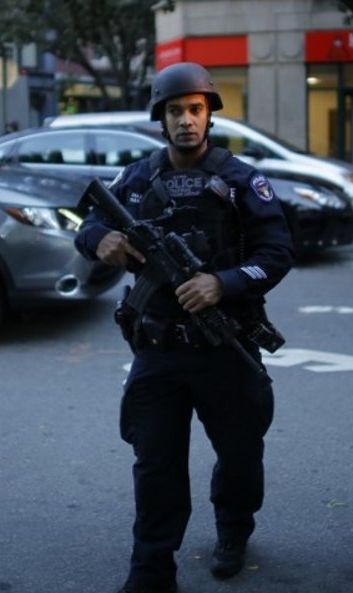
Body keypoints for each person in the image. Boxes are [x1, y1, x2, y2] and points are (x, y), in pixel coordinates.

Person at [74, 62, 295, 593]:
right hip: (158, 350)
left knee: (240, 456)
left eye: (195, 109)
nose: (186, 120)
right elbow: (89, 223)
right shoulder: (137, 178)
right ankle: (151, 570)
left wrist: (222, 283)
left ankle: (233, 530)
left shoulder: (240, 180)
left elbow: (277, 254)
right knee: (155, 464)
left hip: (225, 345)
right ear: (162, 118)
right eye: (175, 111)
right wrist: (99, 239)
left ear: (209, 114)